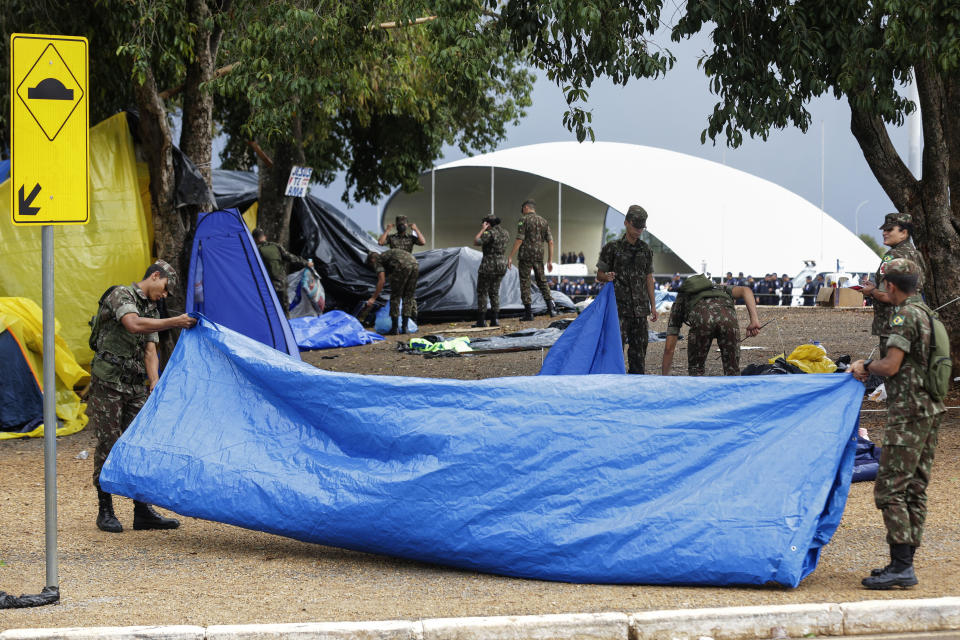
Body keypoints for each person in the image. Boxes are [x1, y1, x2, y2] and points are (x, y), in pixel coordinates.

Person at [850, 258, 944, 589]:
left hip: (909, 414)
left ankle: (902, 566)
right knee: (915, 486)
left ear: (890, 286)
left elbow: (890, 366)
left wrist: (865, 365)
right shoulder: (926, 312)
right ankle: (902, 562)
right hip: (930, 410)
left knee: (890, 488)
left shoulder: (904, 315)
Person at [90, 260, 198, 533]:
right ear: (155, 276)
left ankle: (142, 511)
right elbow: (133, 325)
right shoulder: (120, 295)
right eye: (164, 289)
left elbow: (151, 351)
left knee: (139, 445)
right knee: (109, 443)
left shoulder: (151, 308)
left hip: (135, 385)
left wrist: (154, 383)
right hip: (109, 383)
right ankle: (106, 509)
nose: (164, 295)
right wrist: (176, 321)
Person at [596, 205, 658, 374]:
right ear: (626, 223)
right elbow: (599, 275)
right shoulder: (611, 249)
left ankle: (636, 388)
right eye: (635, 226)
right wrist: (607, 276)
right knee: (614, 351)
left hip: (639, 311)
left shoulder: (646, 250)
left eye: (641, 228)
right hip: (619, 311)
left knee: (639, 356)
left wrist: (653, 305)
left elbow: (648, 278)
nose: (638, 231)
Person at [661, 276, 762, 376]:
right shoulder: (719, 288)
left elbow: (669, 348)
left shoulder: (681, 299)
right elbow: (746, 290)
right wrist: (754, 320)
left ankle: (698, 390)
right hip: (728, 320)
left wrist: (665, 379)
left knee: (696, 370)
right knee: (732, 370)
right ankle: (733, 390)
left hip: (702, 321)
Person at [860, 212, 926, 354]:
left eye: (889, 230)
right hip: (914, 321)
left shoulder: (892, 256)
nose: (884, 233)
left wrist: (870, 291)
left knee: (891, 370)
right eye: (884, 229)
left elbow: (886, 296)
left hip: (893, 325)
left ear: (904, 233)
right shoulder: (916, 254)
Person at [507, 199, 557, 320]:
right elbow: (550, 242)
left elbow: (519, 239)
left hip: (525, 256)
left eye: (523, 210)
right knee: (542, 281)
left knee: (525, 282)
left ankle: (529, 313)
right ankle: (551, 309)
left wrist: (510, 256)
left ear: (526, 208)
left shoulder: (523, 220)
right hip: (539, 256)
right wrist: (550, 260)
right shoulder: (544, 221)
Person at [252, 228, 313, 315]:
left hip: (266, 285)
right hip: (281, 283)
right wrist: (306, 263)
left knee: (268, 309)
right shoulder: (276, 246)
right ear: (265, 236)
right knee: (285, 309)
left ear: (254, 239)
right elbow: (291, 258)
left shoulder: (255, 251)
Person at [365, 249, 419, 335]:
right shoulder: (387, 255)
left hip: (401, 266)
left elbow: (381, 281)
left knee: (395, 297)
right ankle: (405, 328)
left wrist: (373, 298)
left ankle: (395, 328)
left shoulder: (377, 260)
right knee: (408, 296)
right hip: (415, 263)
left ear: (372, 260)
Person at [473, 213, 510, 327]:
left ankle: (482, 320)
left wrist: (483, 229)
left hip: (489, 265)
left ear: (487, 223)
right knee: (494, 292)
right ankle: (495, 319)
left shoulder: (489, 233)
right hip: (501, 264)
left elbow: (476, 241)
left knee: (482, 291)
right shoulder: (505, 233)